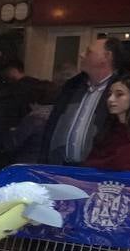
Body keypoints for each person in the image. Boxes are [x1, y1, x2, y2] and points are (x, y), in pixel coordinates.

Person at [60, 73, 130, 251]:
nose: (111, 100)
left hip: (122, 211)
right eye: (111, 94)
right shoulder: (110, 131)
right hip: (97, 208)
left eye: (120, 94)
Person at [42, 37, 124, 165]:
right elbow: (52, 127)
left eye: (88, 52)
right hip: (60, 167)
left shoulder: (122, 92)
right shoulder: (72, 86)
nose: (81, 55)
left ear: (106, 57)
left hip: (97, 173)